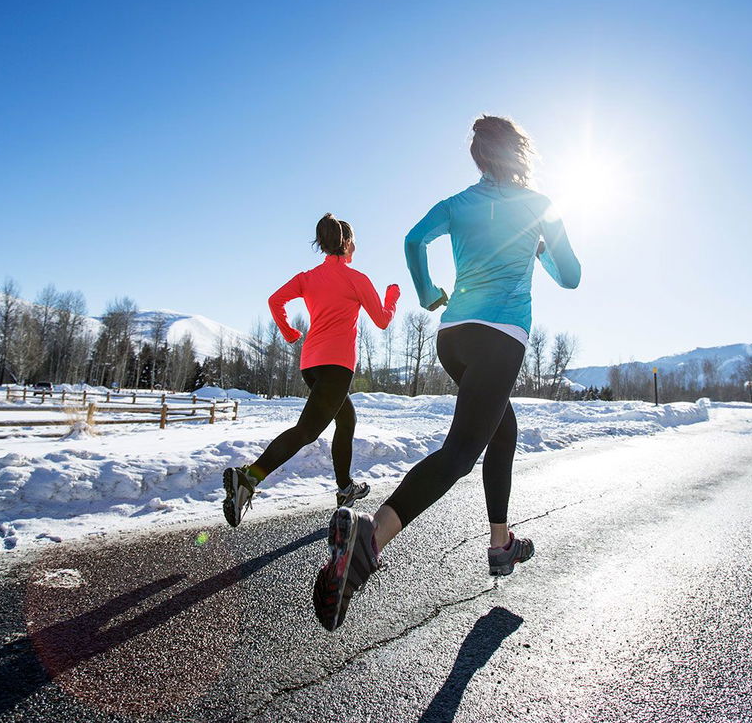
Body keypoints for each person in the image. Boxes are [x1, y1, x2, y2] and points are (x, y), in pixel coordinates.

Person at [313, 115, 581, 630]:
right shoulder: (541, 206)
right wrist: (542, 252)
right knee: (462, 451)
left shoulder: (457, 203)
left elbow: (414, 241)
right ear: (519, 153)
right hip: (499, 338)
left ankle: (501, 542)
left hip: (452, 337)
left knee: (502, 429)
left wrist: (426, 293)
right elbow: (571, 278)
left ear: (478, 157)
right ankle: (371, 538)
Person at [222, 214, 400, 528]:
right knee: (307, 431)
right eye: (354, 243)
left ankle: (345, 489)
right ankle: (248, 478)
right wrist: (392, 297)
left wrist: (289, 332)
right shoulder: (357, 279)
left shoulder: (307, 277)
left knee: (346, 419)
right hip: (337, 367)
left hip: (311, 365)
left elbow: (274, 300)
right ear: (347, 244)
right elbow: (383, 320)